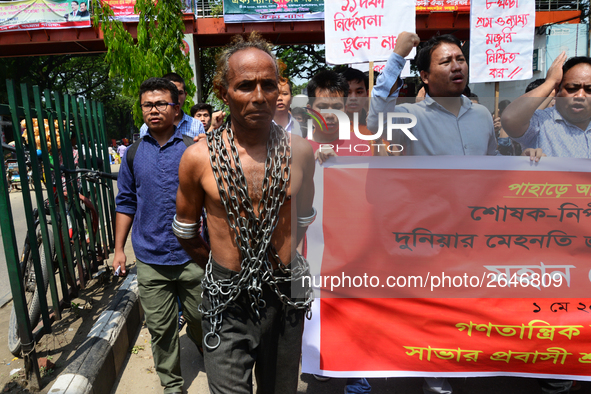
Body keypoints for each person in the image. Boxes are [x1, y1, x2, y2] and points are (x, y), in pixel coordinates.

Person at [174, 32, 315, 394]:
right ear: (224, 93)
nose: (258, 97)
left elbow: (303, 218)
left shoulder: (300, 152)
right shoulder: (198, 158)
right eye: (245, 86)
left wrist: (288, 262)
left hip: (287, 290)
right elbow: (186, 230)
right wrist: (221, 265)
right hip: (226, 296)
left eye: (268, 85)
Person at [113, 77, 205, 394]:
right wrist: (119, 250)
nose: (154, 110)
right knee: (161, 327)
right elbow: (125, 202)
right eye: (147, 105)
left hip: (192, 255)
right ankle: (172, 385)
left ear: (175, 107)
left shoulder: (193, 151)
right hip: (150, 257)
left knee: (199, 317)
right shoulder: (133, 154)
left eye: (161, 103)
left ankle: (207, 350)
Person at [501, 53, 591, 159]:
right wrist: (550, 82)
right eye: (572, 88)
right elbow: (509, 118)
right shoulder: (541, 122)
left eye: (589, 89)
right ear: (558, 90)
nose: (580, 96)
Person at [139, 73, 205, 139]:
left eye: (180, 93)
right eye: (148, 105)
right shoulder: (145, 128)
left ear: (185, 95)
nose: (176, 98)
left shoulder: (197, 125)